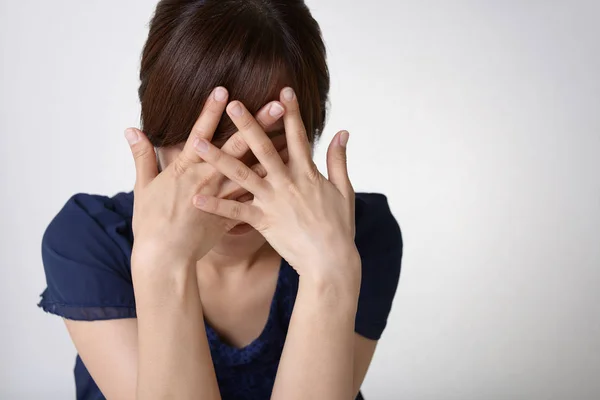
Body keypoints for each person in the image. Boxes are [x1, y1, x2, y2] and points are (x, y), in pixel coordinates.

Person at [38, 1, 403, 399]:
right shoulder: (88, 239)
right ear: (156, 133)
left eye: (266, 151)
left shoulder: (358, 235)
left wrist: (329, 273)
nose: (235, 181)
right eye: (207, 151)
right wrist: (161, 261)